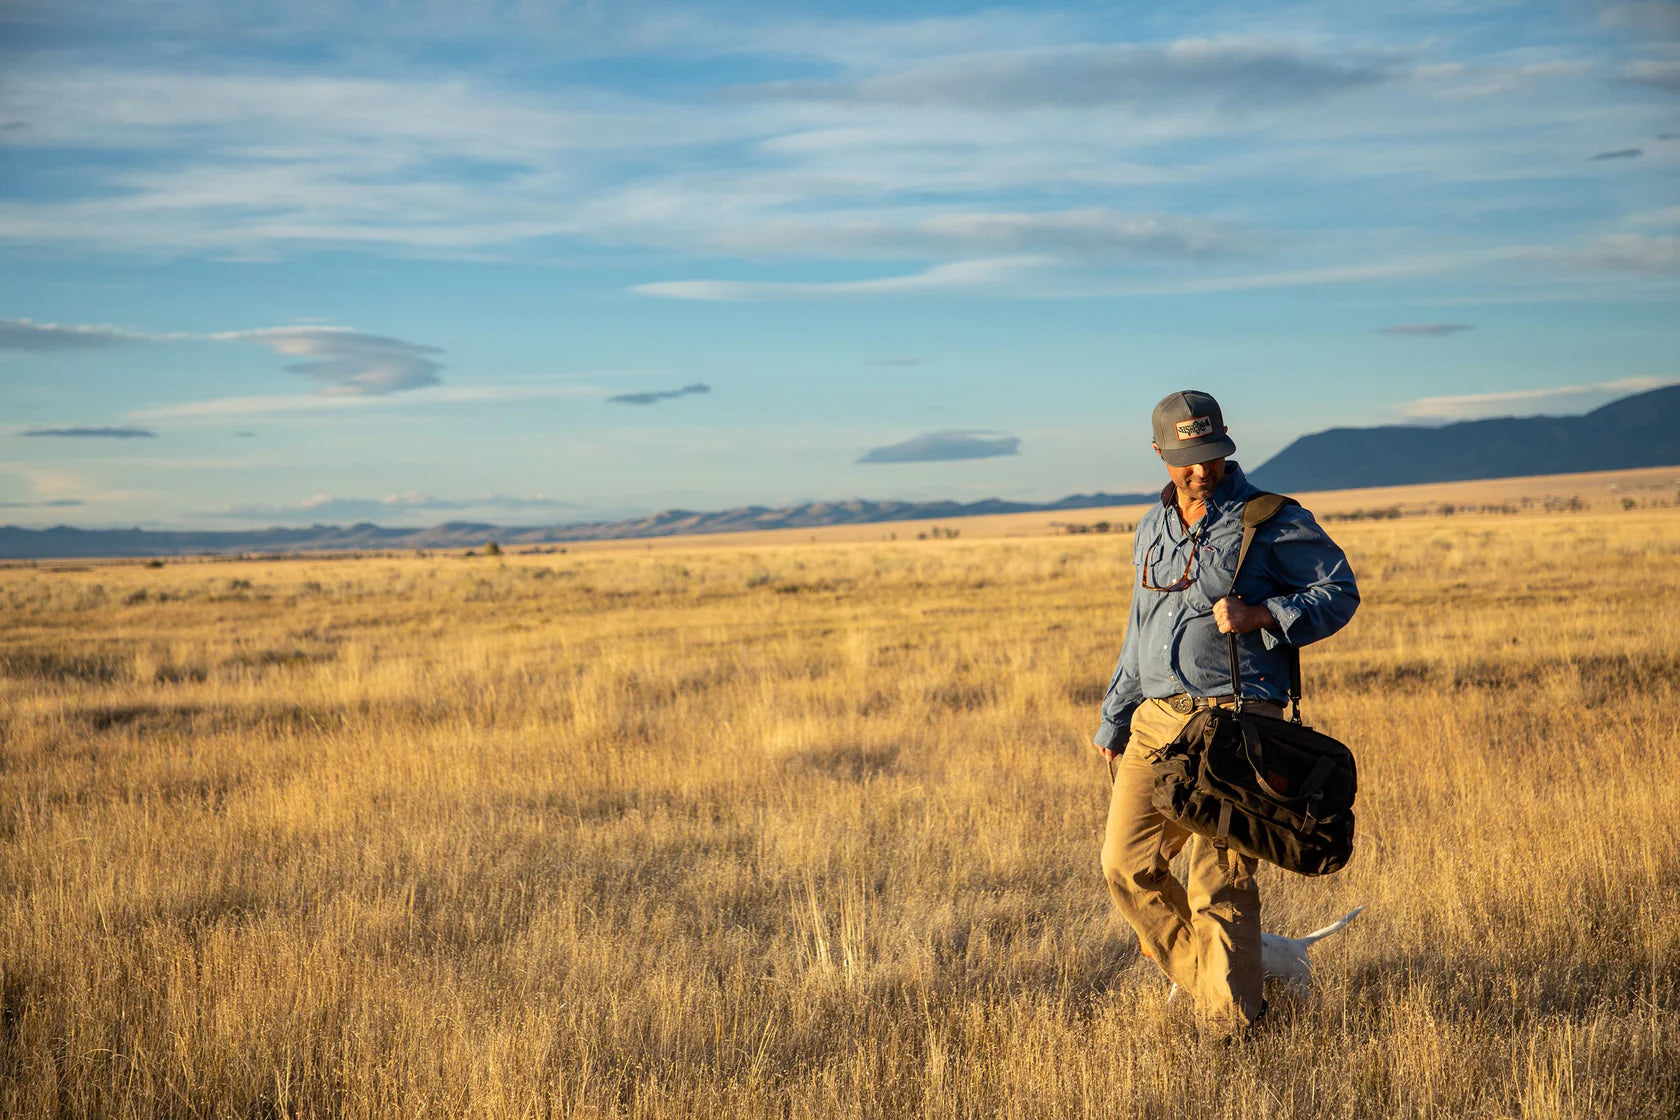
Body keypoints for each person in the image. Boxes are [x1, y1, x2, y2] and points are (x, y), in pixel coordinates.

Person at [1094, 389, 1359, 1037]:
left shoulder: (1268, 519)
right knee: (1124, 865)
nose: (1200, 471)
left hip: (1235, 725)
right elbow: (1140, 631)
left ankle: (1233, 1030)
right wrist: (1114, 716)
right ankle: (1224, 989)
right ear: (1161, 454)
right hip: (1156, 720)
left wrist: (1265, 614)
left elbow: (1339, 591)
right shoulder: (1151, 526)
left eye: (1211, 455)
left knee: (1221, 884)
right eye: (1186, 458)